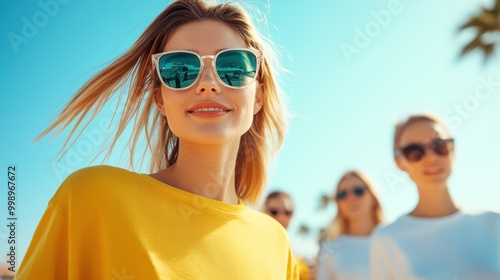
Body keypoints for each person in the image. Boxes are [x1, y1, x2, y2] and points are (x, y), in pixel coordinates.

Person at [16, 1, 298, 279]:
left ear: (258, 96)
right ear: (160, 99)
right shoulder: (91, 199)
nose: (208, 82)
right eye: (180, 69)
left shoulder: (276, 243)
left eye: (233, 67)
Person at [371, 114, 500, 279]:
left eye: (440, 145)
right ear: (400, 163)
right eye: (415, 151)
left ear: (453, 150)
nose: (431, 157)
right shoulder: (387, 239)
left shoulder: (494, 223)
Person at [317, 171, 383, 280]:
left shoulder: (393, 239)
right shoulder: (329, 249)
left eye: (358, 191)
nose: (350, 198)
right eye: (342, 194)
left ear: (373, 196)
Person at [263, 191, 310, 280]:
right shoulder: (251, 246)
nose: (281, 217)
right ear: (263, 210)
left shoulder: (299, 262)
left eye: (288, 212)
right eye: (274, 212)